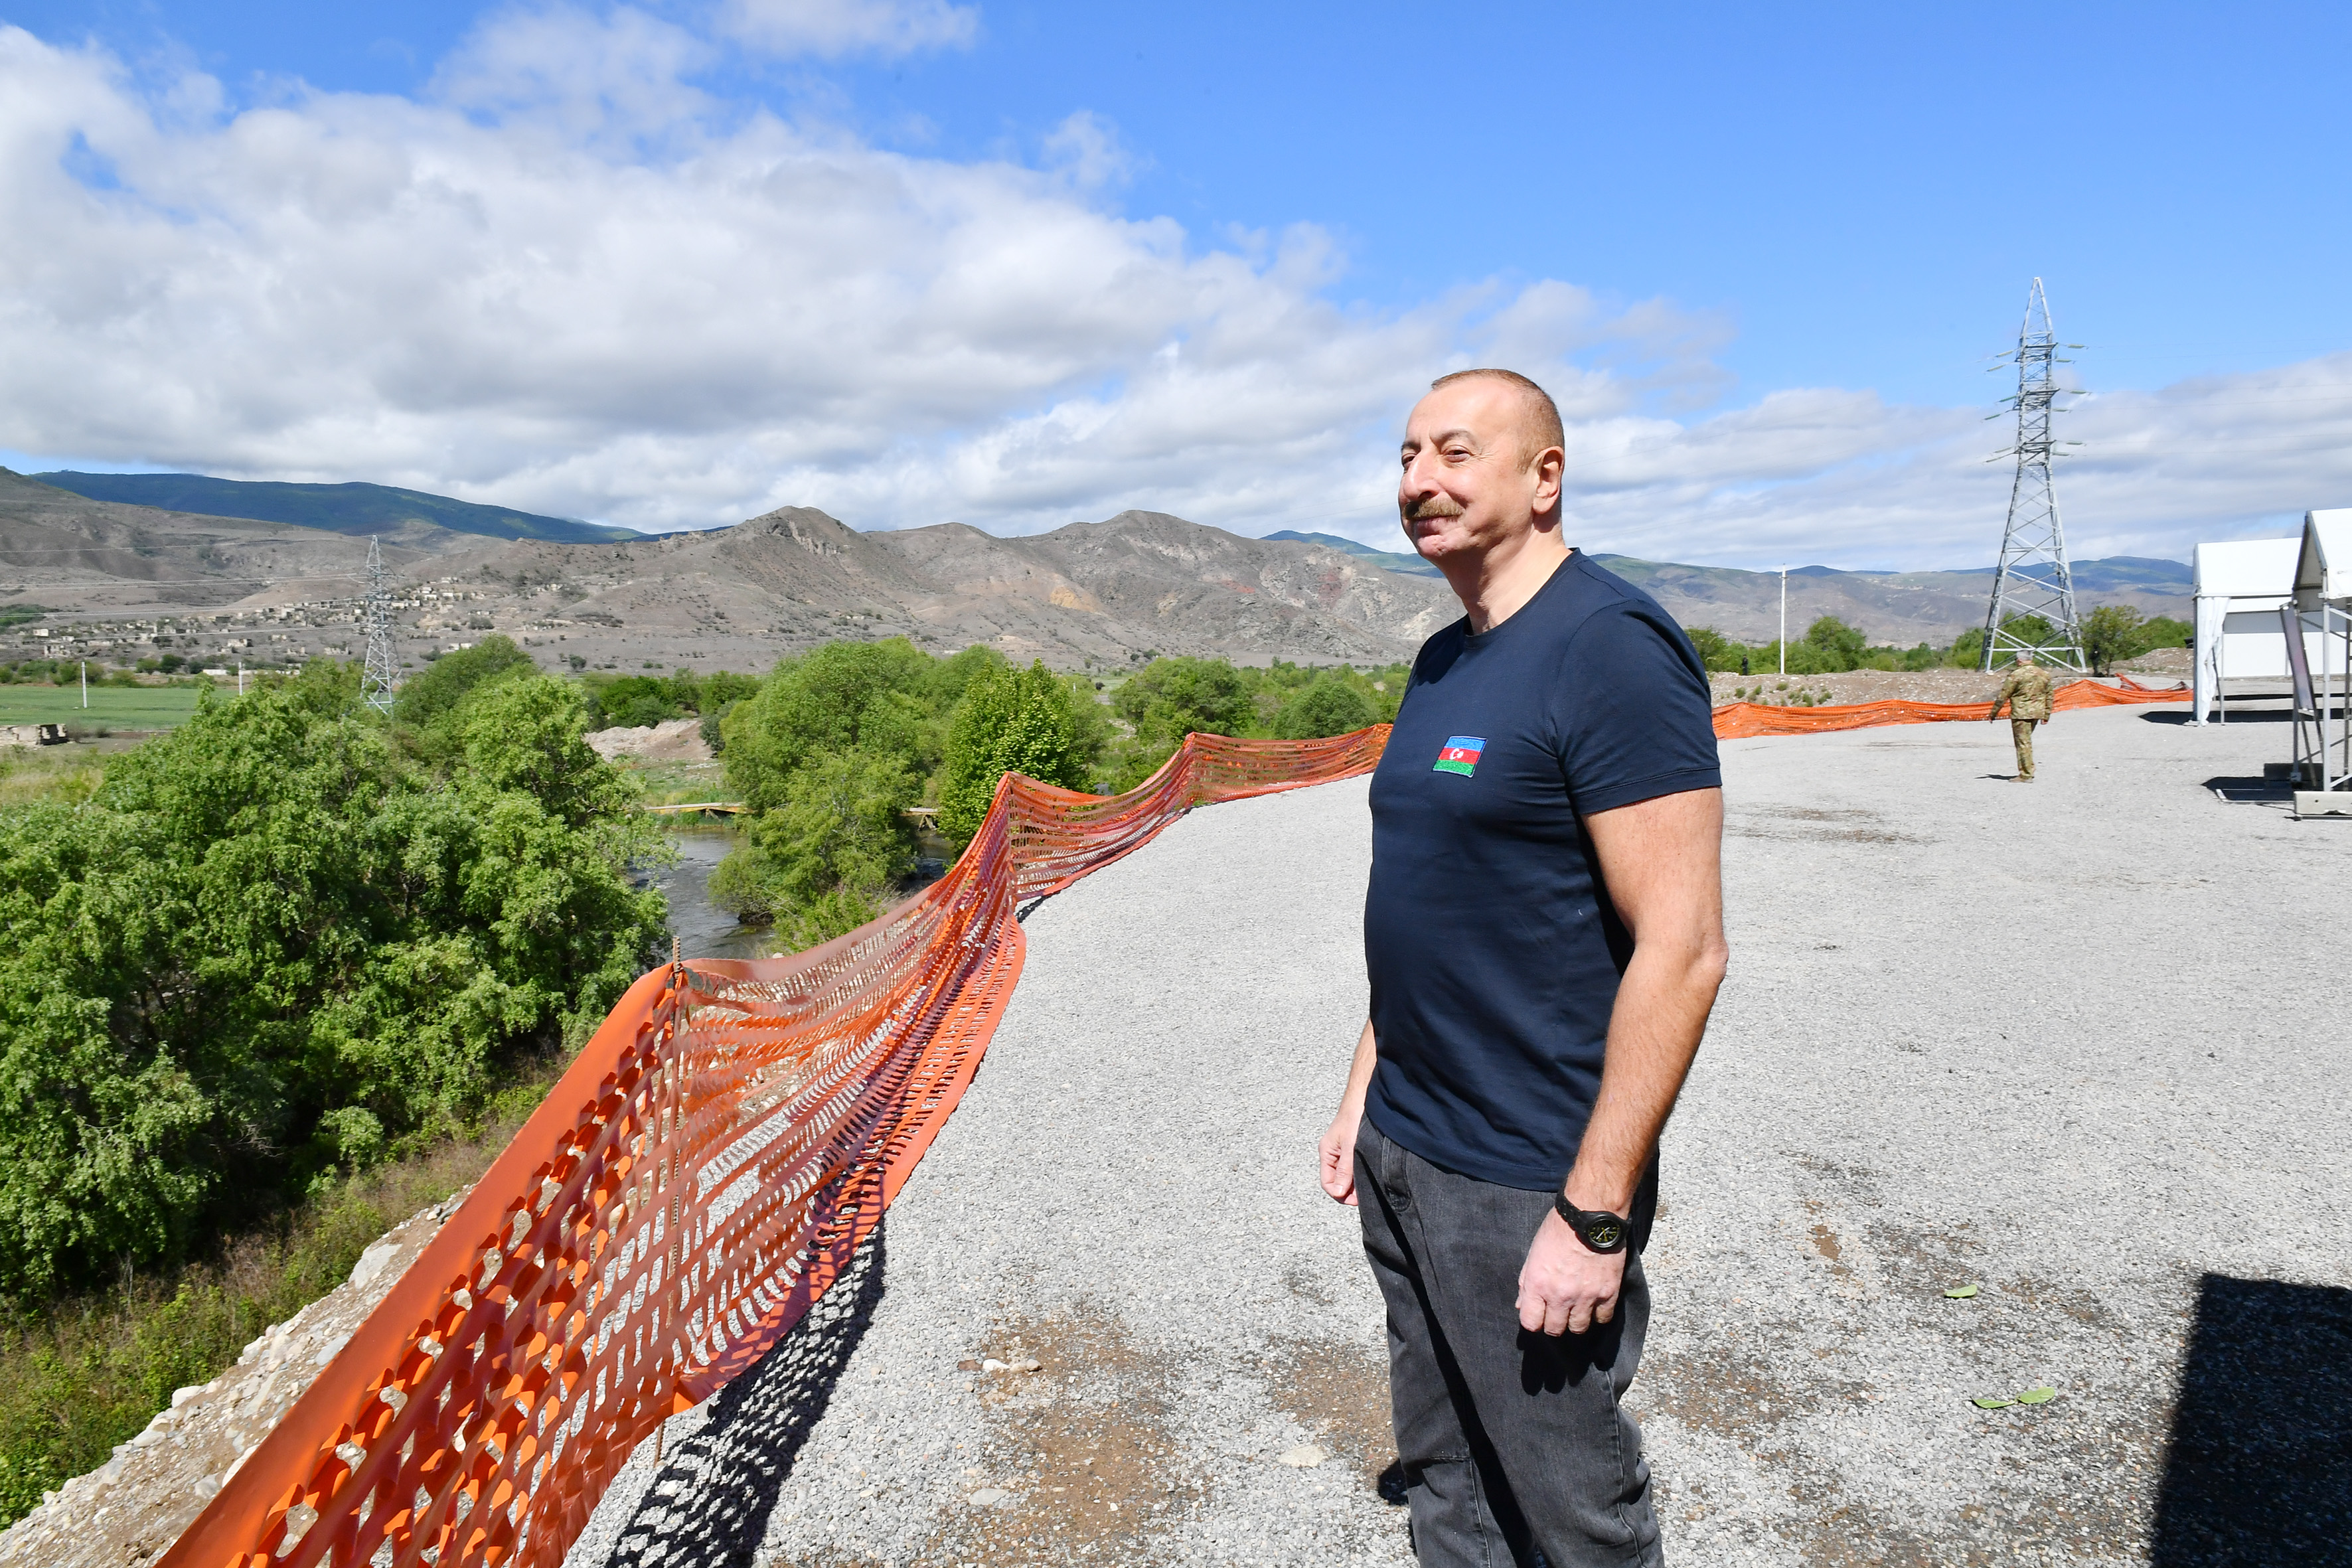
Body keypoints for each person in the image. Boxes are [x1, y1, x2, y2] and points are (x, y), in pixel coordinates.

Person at [1318, 368, 1729, 1567]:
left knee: (1570, 1510)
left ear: (1545, 477)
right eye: (1404, 456)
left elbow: (1685, 947)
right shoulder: (1443, 658)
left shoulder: (1609, 648)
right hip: (1408, 1141)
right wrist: (1361, 1093)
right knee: (1447, 1482)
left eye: (1453, 452)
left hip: (1523, 1172)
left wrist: (1591, 1213)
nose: (1417, 482)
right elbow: (1431, 908)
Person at [1987, 651, 2055, 781]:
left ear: (2019, 661)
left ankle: (2026, 774)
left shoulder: (2016, 675)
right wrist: (2047, 714)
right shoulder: (2044, 674)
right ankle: (2029, 767)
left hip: (2021, 713)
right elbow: (2050, 695)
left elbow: (2004, 695)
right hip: (2037, 712)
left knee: (2023, 743)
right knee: (2026, 741)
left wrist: (1993, 713)